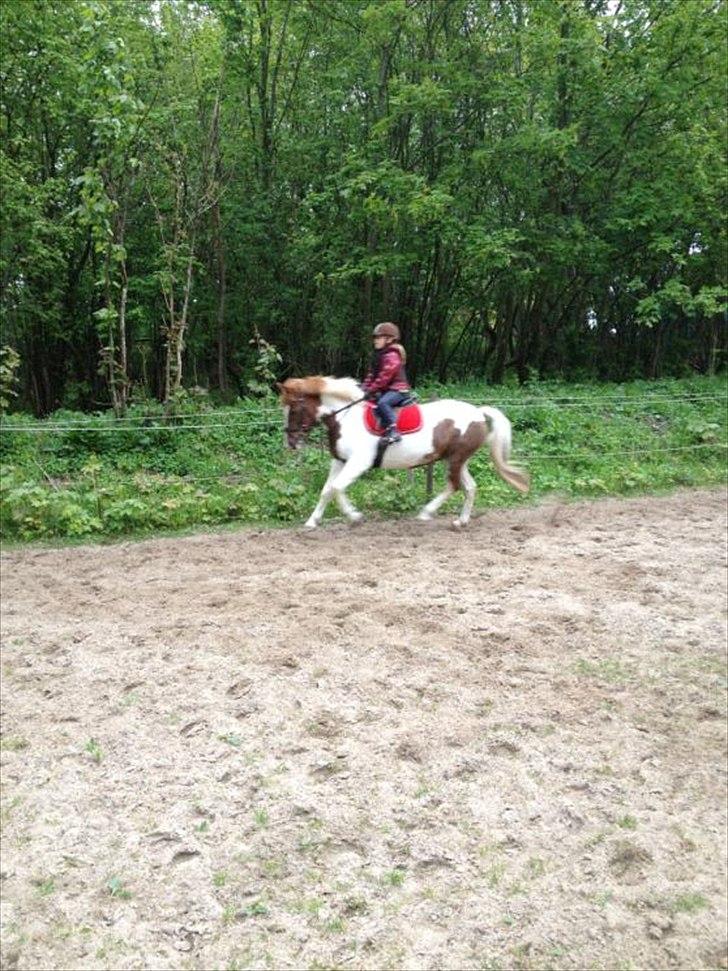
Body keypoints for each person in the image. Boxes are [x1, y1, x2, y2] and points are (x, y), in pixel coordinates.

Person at [362, 322, 411, 444]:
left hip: (398, 390)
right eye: (375, 338)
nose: (375, 341)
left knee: (383, 403)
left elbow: (384, 378)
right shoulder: (380, 356)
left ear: (389, 339)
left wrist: (371, 390)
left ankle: (394, 430)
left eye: (379, 338)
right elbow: (372, 375)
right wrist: (363, 389)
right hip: (388, 390)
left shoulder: (392, 356)